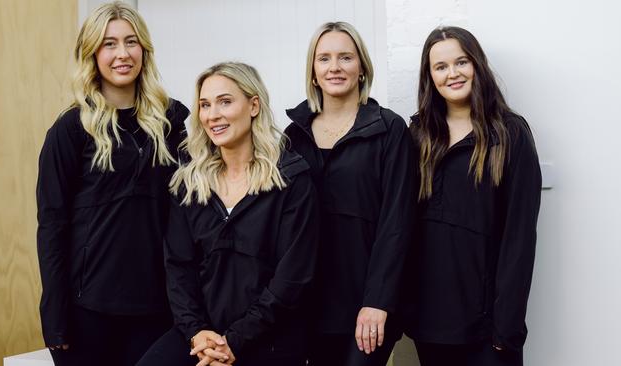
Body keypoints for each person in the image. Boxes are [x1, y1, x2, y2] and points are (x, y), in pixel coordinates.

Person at [36, 2, 189, 365]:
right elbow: (52, 226)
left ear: (144, 50)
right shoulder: (71, 129)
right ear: (92, 54)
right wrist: (55, 316)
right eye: (109, 44)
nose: (122, 54)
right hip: (88, 310)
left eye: (131, 42)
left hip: (158, 306)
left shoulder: (175, 119)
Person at [136, 62, 319, 366]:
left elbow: (292, 278)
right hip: (202, 335)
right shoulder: (190, 183)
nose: (212, 115)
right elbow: (178, 268)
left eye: (225, 101)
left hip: (269, 337)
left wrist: (234, 342)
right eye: (205, 105)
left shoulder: (291, 179)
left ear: (254, 105)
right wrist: (197, 332)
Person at [403, 26, 542, 366]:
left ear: (477, 65)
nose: (452, 73)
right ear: (429, 76)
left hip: (488, 330)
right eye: (440, 66)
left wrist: (505, 326)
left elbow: (519, 238)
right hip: (429, 325)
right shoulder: (418, 135)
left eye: (461, 62)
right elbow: (402, 228)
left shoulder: (510, 134)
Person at [284, 22, 417, 366]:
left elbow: (397, 222)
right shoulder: (292, 136)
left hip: (366, 302)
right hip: (307, 304)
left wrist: (378, 301)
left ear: (361, 68)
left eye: (346, 57)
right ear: (313, 72)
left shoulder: (389, 129)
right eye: (324, 58)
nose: (335, 67)